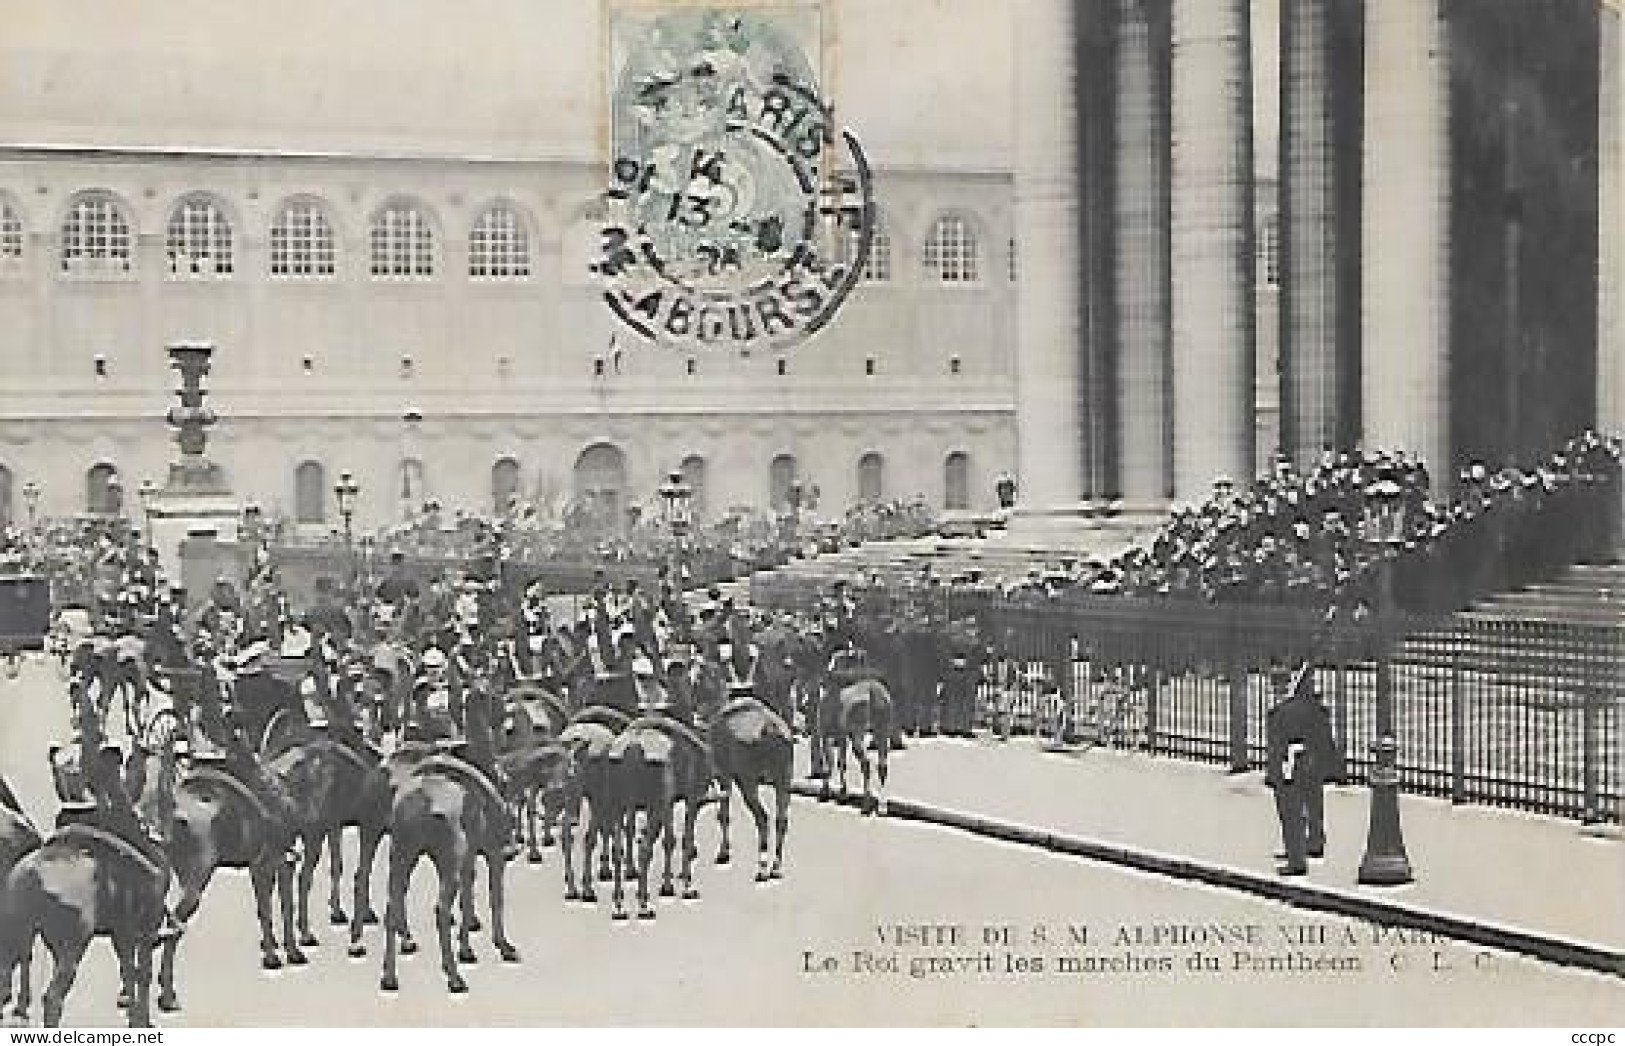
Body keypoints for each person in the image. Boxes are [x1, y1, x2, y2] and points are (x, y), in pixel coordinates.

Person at [1264, 661, 1346, 876]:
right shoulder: (1315, 708)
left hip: (1292, 763)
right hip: (1313, 761)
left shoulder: (1282, 711)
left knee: (1291, 810)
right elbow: (1325, 738)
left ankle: (1296, 858)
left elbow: (1278, 745)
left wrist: (1273, 772)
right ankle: (1314, 842)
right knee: (1313, 802)